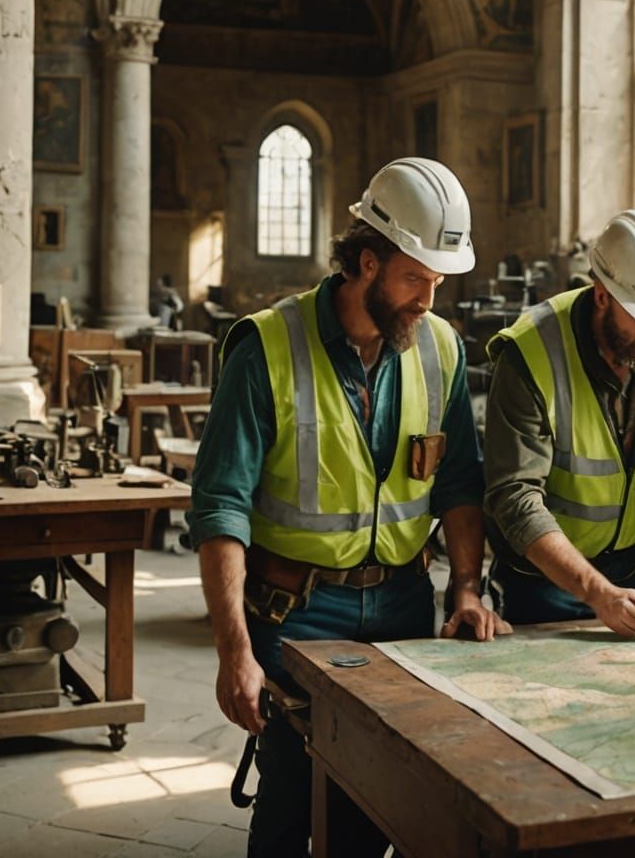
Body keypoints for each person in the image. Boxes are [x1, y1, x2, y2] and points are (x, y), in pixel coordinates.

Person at [190, 157, 506, 858]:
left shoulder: (441, 349)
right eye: (417, 279)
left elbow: (458, 484)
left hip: (400, 606)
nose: (431, 298)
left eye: (439, 280)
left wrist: (465, 587)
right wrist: (233, 653)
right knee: (290, 797)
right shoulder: (266, 347)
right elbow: (220, 509)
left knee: (379, 803)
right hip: (294, 612)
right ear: (368, 262)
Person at [482, 210, 635, 636]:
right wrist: (599, 593)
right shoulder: (531, 352)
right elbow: (515, 498)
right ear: (602, 296)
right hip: (545, 580)